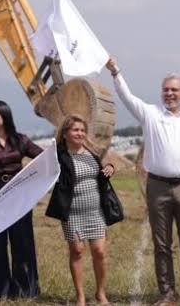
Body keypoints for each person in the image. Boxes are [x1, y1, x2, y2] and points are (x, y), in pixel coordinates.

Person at [105, 57, 180, 305]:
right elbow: (127, 97)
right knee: (162, 243)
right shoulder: (150, 114)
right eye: (166, 90)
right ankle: (168, 292)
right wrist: (116, 72)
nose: (169, 94)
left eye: (174, 90)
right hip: (157, 186)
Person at [0, 100, 43, 299]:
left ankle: (26, 291)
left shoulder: (21, 140)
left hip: (19, 196)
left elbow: (43, 156)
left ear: (5, 115)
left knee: (23, 242)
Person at [45, 114, 117, 306]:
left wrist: (110, 167)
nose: (80, 133)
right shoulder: (58, 156)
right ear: (65, 133)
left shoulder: (93, 151)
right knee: (77, 251)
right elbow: (45, 174)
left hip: (96, 211)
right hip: (72, 212)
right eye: (75, 130)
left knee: (99, 251)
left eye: (83, 130)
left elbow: (108, 165)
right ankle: (80, 297)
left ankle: (100, 293)